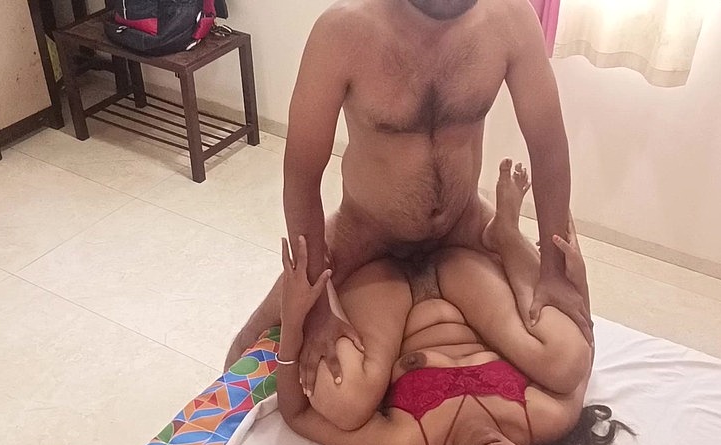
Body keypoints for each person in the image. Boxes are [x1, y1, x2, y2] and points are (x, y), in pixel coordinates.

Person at [275, 161, 626, 445]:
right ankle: (507, 236)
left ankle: (320, 283)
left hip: (386, 286)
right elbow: (585, 347)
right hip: (462, 275)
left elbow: (297, 414)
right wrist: (576, 281)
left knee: (347, 400)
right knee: (566, 364)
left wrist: (294, 320)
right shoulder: (545, 419)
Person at [225, 0, 588, 391]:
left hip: (465, 223)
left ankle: (503, 231)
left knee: (572, 343)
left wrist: (553, 270)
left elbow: (549, 150)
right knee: (243, 352)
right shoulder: (341, 32)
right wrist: (317, 309)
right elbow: (301, 178)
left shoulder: (511, 18)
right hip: (362, 232)